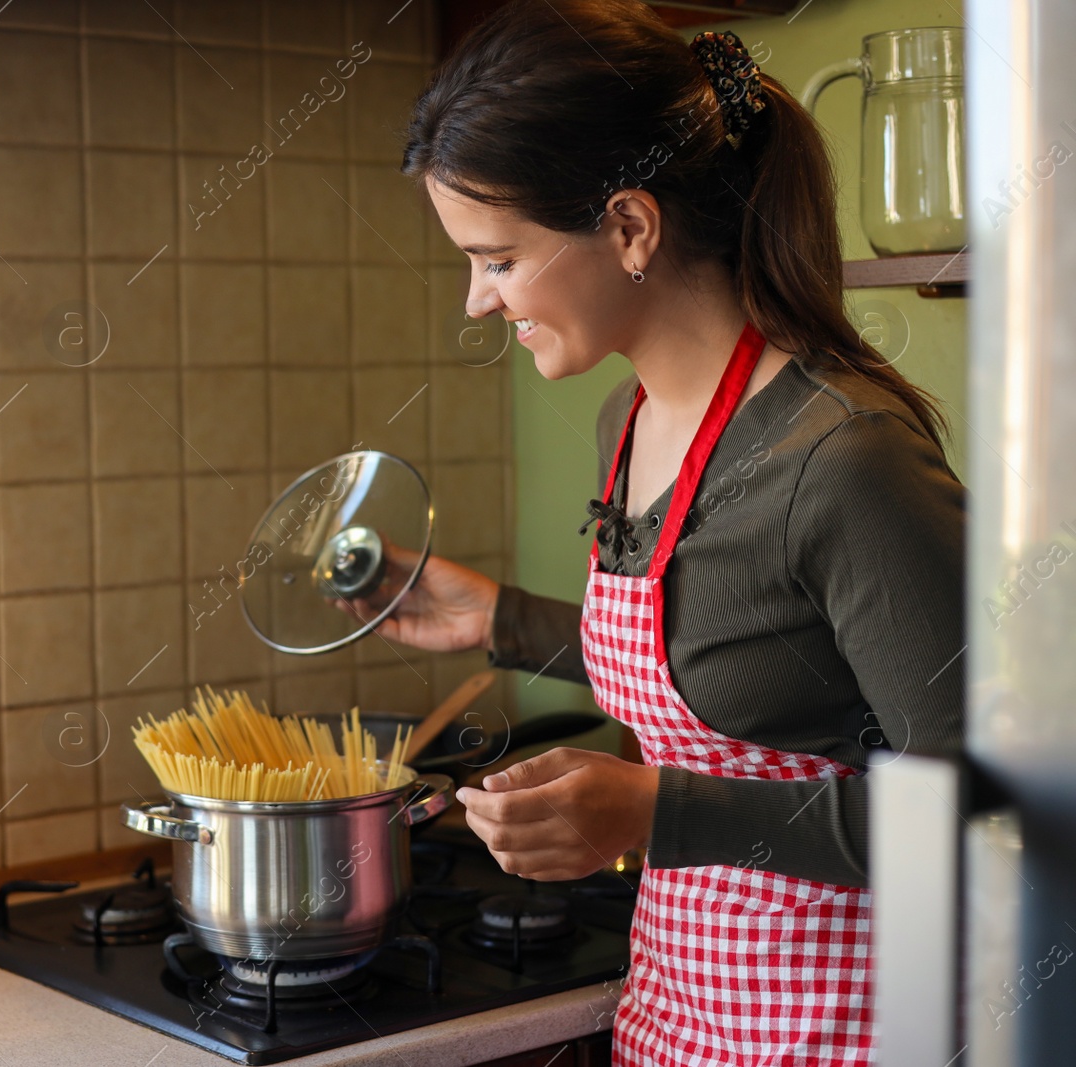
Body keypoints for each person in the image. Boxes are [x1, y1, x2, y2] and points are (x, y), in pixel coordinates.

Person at [358, 3, 966, 1064]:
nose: (475, 300)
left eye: (496, 259)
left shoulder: (845, 460)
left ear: (630, 228)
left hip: (858, 1030)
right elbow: (735, 663)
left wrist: (654, 812)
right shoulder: (629, 419)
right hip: (683, 1022)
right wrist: (500, 620)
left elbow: (986, 816)